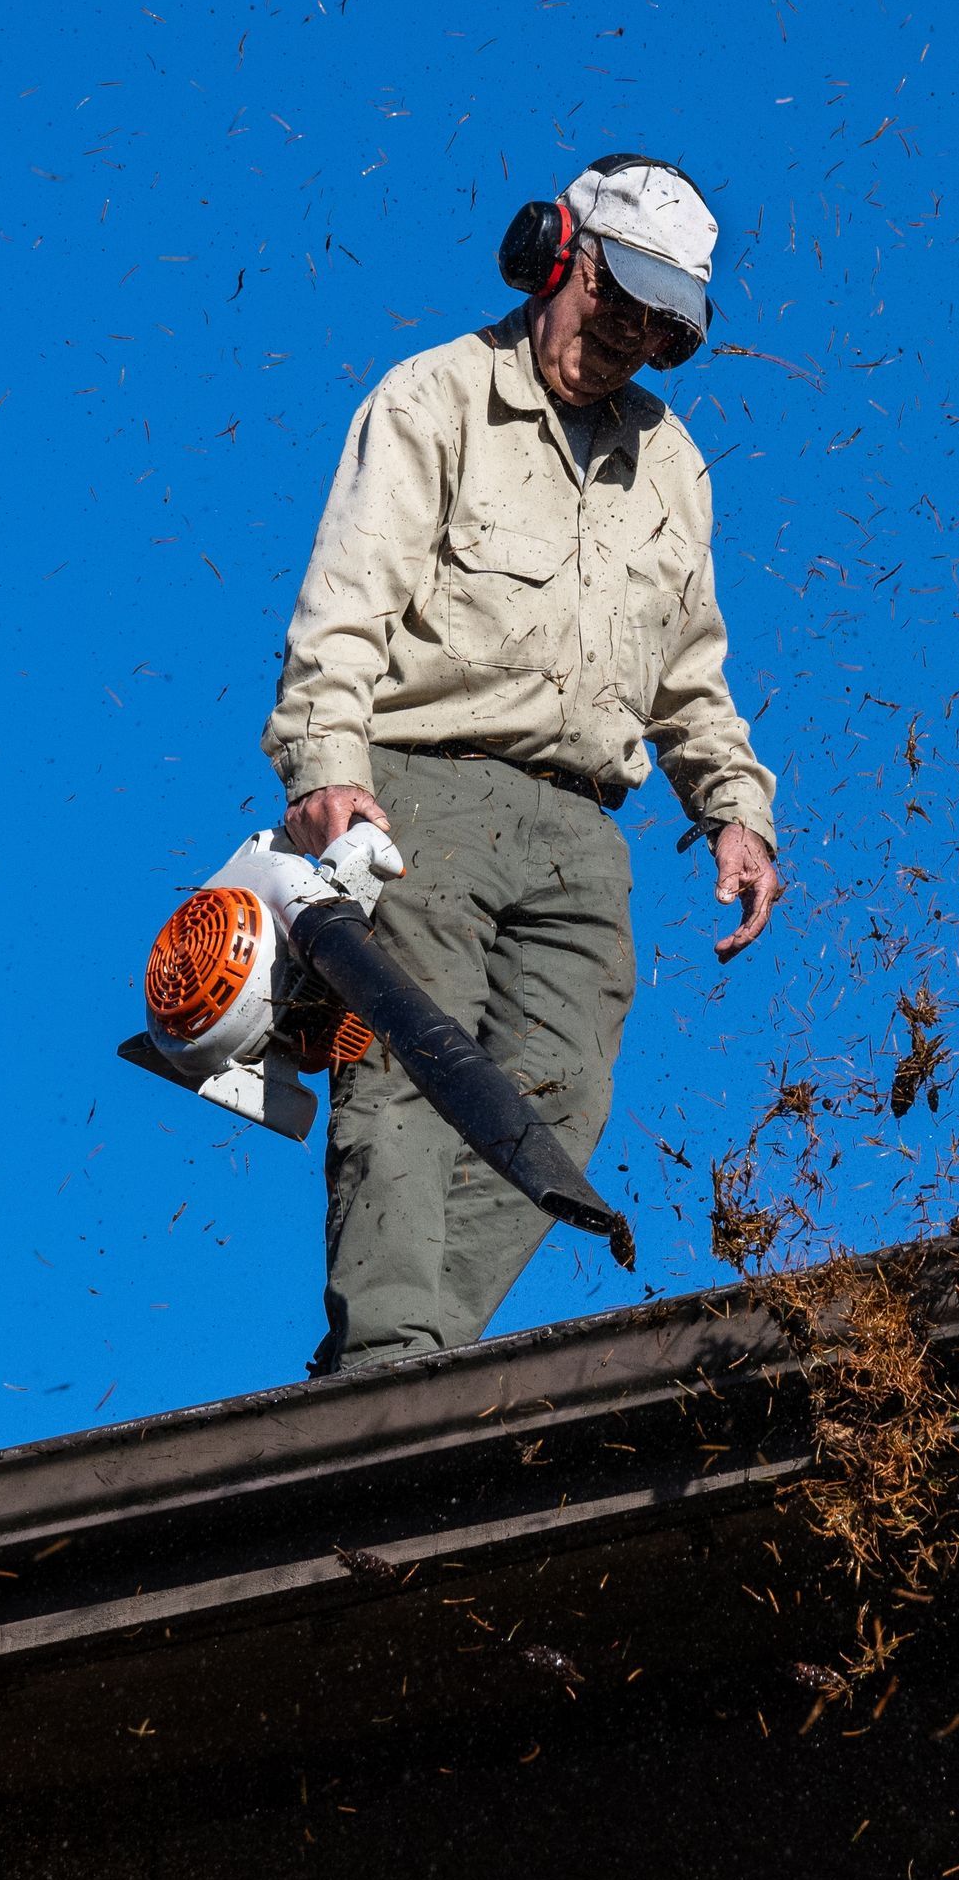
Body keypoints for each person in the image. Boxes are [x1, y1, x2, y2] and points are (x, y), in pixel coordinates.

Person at [262, 154, 780, 1372]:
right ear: (557, 256)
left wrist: (734, 810)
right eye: (615, 300)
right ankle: (391, 1352)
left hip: (582, 828)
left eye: (659, 326)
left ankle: (421, 1348)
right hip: (422, 789)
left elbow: (690, 672)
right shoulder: (435, 399)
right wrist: (326, 766)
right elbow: (344, 606)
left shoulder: (673, 467)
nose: (626, 338)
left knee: (560, 1103)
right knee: (404, 1065)